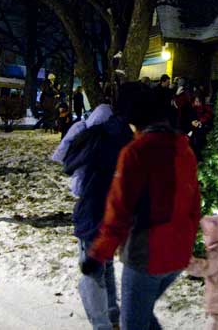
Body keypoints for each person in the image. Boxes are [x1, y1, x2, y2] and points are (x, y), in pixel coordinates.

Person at [83, 86, 201, 330]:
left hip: (147, 254)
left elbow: (120, 209)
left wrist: (98, 253)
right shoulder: (184, 150)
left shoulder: (136, 153)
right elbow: (194, 203)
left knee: (133, 322)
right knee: (142, 316)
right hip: (178, 253)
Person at [52, 86, 138, 330]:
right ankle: (111, 318)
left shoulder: (99, 136)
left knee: (94, 272)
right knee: (105, 265)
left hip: (93, 212)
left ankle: (103, 324)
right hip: (114, 215)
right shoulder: (126, 138)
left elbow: (70, 167)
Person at [189, 94, 213, 162]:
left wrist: (200, 121)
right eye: (195, 101)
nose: (197, 103)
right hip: (196, 127)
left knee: (200, 140)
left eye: (198, 101)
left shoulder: (205, 107)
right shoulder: (192, 108)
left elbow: (208, 115)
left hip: (203, 127)